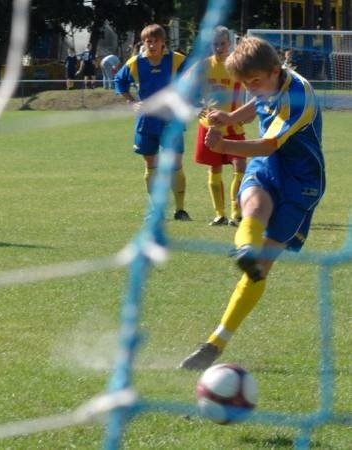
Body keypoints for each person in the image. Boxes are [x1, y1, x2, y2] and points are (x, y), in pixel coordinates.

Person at [179, 36, 325, 370]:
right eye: (246, 84)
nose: (251, 89)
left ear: (276, 70)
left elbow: (267, 145)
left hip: (301, 182)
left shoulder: (297, 95)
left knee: (262, 268)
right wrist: (228, 120)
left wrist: (224, 145)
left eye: (255, 83)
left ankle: (217, 342)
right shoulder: (263, 80)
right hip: (269, 168)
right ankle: (245, 249)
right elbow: (256, 107)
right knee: (253, 208)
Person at [114, 24, 191, 221]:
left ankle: (180, 209)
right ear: (144, 42)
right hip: (147, 121)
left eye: (156, 40)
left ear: (163, 42)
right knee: (151, 165)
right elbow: (119, 81)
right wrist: (131, 102)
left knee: (175, 164)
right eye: (148, 40)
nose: (152, 44)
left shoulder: (177, 59)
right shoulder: (135, 63)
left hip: (170, 120)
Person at [194, 26, 247, 227]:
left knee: (240, 167)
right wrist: (195, 107)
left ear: (230, 44)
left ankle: (237, 213)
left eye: (222, 43)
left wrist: (249, 113)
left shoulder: (239, 65)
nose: (218, 47)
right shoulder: (203, 66)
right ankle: (219, 214)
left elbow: (253, 89)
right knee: (214, 168)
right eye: (215, 44)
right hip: (210, 126)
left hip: (234, 125)